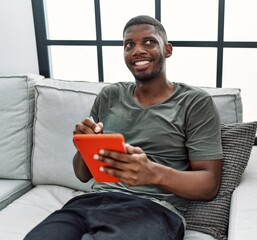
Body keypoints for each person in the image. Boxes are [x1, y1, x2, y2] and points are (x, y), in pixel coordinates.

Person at [25, 15, 223, 240]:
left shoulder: (194, 102)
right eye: (129, 45)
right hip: (90, 203)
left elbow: (209, 185)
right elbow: (82, 175)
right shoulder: (110, 95)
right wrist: (84, 145)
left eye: (149, 42)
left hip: (153, 209)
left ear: (167, 50)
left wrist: (152, 173)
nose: (137, 50)